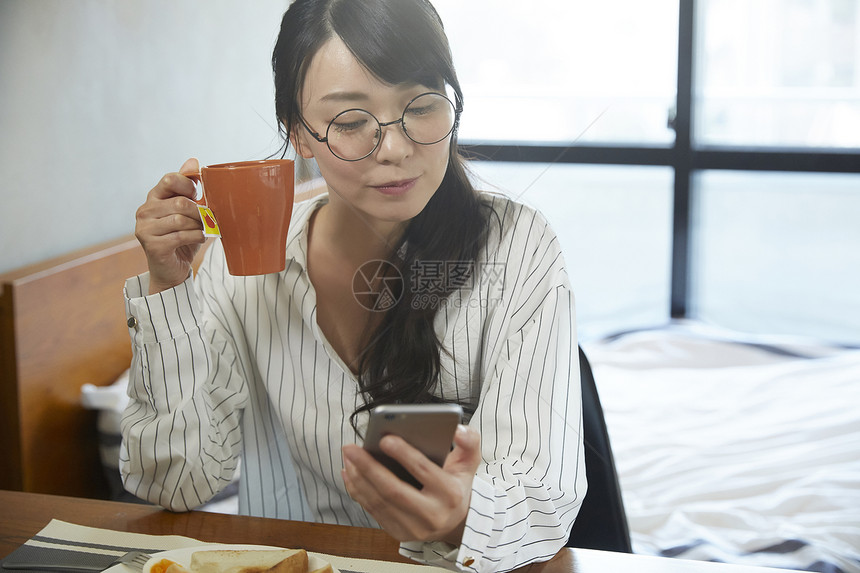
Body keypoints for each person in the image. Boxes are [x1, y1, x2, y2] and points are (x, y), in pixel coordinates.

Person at [122, 0, 586, 571]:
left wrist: (460, 513)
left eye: (422, 106)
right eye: (349, 122)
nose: (394, 147)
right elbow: (178, 484)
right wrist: (169, 289)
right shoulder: (242, 265)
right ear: (300, 135)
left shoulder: (519, 248)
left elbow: (542, 500)